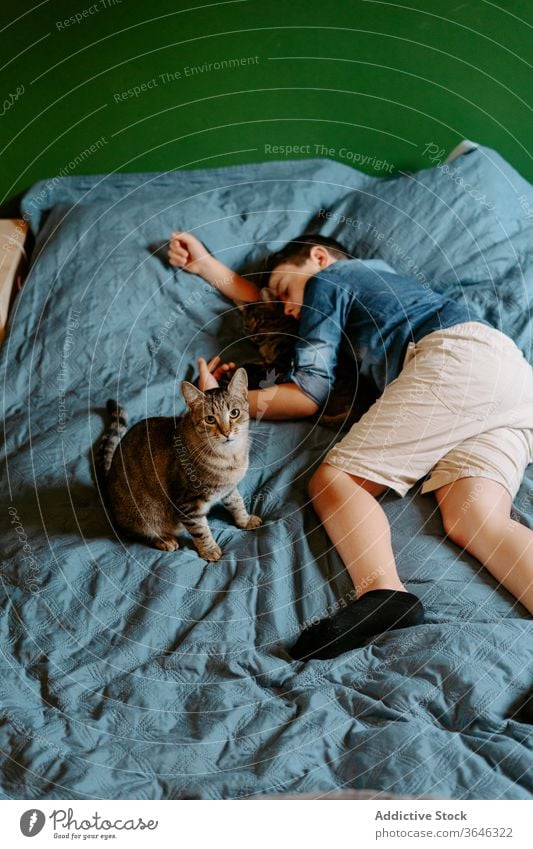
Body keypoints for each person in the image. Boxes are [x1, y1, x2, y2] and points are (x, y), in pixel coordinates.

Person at [168, 230, 533, 661]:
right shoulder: (378, 282)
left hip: (456, 361)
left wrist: (221, 399)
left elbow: (309, 391)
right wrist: (206, 265)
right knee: (475, 519)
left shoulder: (329, 280)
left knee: (336, 481)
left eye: (286, 290)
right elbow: (269, 303)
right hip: (514, 381)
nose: (288, 309)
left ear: (319, 257)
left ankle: (383, 593)